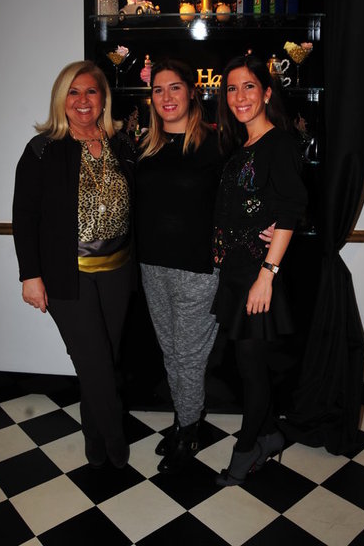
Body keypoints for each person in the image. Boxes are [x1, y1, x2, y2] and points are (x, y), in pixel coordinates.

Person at [135, 58, 274, 474]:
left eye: (175, 87)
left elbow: (249, 191)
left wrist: (267, 222)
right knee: (170, 351)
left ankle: (188, 429)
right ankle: (184, 418)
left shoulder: (218, 145)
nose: (166, 97)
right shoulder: (145, 146)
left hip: (199, 269)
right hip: (152, 267)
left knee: (189, 356)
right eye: (158, 90)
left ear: (192, 92)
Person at [12, 60, 136, 469]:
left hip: (118, 271)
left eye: (91, 91)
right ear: (61, 99)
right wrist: (30, 276)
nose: (83, 100)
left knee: (101, 361)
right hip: (68, 276)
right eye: (73, 92)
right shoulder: (42, 149)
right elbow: (24, 216)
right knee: (95, 361)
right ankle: (115, 441)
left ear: (103, 98)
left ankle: (94, 438)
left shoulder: (122, 144)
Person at [212, 53, 307, 486]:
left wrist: (266, 275)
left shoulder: (279, 143)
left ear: (267, 93)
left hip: (258, 274)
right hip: (237, 273)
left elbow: (292, 208)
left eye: (249, 86)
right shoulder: (242, 146)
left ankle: (247, 447)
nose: (239, 96)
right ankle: (269, 435)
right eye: (232, 88)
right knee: (246, 366)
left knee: (252, 371)